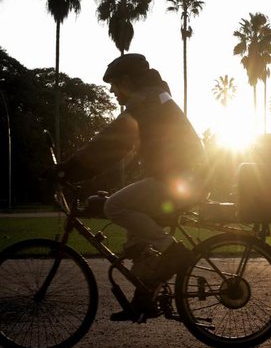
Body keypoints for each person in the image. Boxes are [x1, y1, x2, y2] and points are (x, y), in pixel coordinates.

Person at [51, 53, 206, 320]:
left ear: (126, 80)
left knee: (115, 205)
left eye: (113, 85)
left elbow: (110, 145)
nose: (112, 92)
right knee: (137, 235)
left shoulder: (146, 102)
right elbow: (116, 149)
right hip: (183, 177)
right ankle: (146, 296)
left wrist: (68, 169)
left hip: (182, 180)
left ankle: (173, 252)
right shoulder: (154, 97)